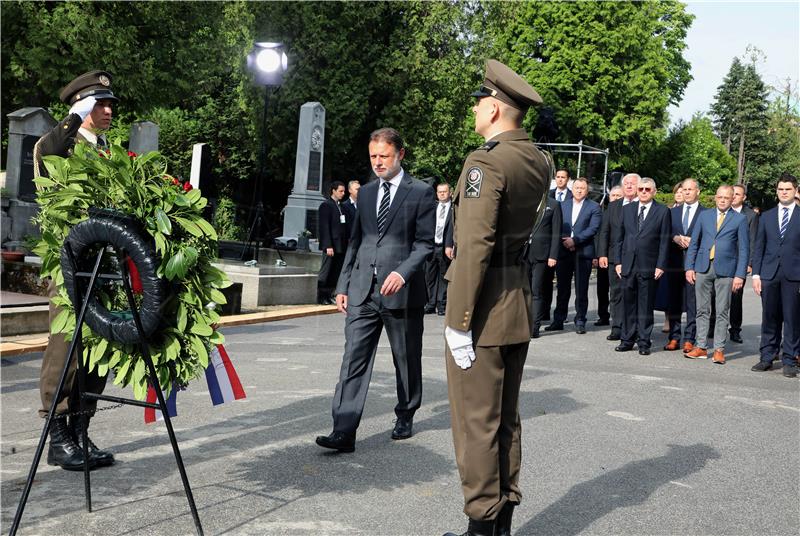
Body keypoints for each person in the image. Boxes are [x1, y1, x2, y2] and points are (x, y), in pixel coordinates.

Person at [443, 59, 548, 536]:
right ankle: (502, 520)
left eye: (477, 104)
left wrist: (458, 320)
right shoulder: (536, 159)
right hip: (516, 302)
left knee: (476, 424)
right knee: (505, 419)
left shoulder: (486, 160)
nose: (474, 112)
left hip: (483, 308)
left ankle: (481, 527)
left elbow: (474, 247)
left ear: (492, 107)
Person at [315, 128, 435, 453]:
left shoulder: (422, 192)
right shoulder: (366, 193)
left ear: (400, 155)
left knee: (406, 359)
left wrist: (403, 272)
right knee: (353, 358)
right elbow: (356, 241)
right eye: (373, 156)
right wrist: (343, 285)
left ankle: (406, 412)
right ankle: (343, 429)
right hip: (362, 290)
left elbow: (425, 244)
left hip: (402, 291)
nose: (378, 162)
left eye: (384, 156)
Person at [33, 70, 118, 471]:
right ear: (81, 106)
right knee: (65, 347)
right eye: (100, 103)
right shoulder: (59, 147)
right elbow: (48, 156)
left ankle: (82, 428)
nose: (108, 110)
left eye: (110, 103)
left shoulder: (109, 152)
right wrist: (71, 120)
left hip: (103, 265)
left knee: (100, 349)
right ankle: (58, 435)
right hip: (69, 264)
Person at [684, 185, 749, 364]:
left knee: (722, 311)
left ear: (732, 199)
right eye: (719, 197)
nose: (722, 200)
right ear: (715, 198)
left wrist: (740, 275)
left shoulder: (740, 219)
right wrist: (689, 267)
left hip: (727, 270)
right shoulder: (704, 216)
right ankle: (702, 346)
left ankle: (719, 349)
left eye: (726, 198)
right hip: (703, 267)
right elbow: (694, 243)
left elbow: (744, 249)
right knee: (702, 309)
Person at [614, 177, 671, 355]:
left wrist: (661, 265)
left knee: (645, 306)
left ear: (654, 191)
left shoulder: (662, 211)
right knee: (628, 304)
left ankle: (644, 341)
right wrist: (618, 262)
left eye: (647, 189)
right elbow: (619, 238)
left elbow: (664, 242)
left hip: (649, 265)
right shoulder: (627, 209)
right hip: (628, 265)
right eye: (641, 189)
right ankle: (627, 339)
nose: (644, 192)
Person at [750, 174, 799, 378]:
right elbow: (759, 247)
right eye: (780, 189)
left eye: (788, 189)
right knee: (769, 318)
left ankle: (789, 360)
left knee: (792, 319)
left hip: (794, 275)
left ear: (796, 191)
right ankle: (767, 357)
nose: (784, 192)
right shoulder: (766, 216)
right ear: (776, 191)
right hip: (769, 274)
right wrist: (756, 275)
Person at [546, 177, 602, 334]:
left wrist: (575, 240)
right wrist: (565, 242)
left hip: (583, 252)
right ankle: (558, 320)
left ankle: (580, 320)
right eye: (576, 187)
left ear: (587, 190)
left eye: (582, 188)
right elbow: (555, 225)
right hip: (563, 251)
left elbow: (593, 228)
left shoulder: (594, 207)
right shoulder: (562, 205)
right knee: (562, 288)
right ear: (572, 189)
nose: (579, 190)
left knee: (581, 288)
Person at [664, 178, 706, 353]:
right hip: (674, 262)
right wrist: (674, 237)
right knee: (673, 301)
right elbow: (664, 232)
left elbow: (710, 237)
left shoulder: (706, 213)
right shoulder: (672, 212)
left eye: (690, 189)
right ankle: (674, 336)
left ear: (698, 192)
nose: (687, 192)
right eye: (685, 189)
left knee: (692, 302)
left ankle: (690, 338)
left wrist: (694, 241)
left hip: (695, 263)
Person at [597, 174, 640, 341]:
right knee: (615, 293)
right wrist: (602, 254)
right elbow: (604, 232)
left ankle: (633, 328)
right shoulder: (613, 206)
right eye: (626, 184)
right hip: (614, 257)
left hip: (634, 258)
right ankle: (617, 327)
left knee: (633, 294)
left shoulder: (641, 205)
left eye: (632, 184)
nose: (629, 186)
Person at [527, 195, 562, 338]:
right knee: (524, 291)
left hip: (541, 254)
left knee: (536, 291)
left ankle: (534, 327)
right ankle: (522, 324)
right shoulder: (526, 200)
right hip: (523, 254)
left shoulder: (553, 204)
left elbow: (556, 232)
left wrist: (553, 255)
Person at [728, 184, 759, 343]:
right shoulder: (721, 212)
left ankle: (735, 329)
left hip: (740, 261)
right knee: (714, 295)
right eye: (732, 193)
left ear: (744, 197)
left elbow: (753, 240)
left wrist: (749, 263)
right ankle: (712, 326)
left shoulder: (751, 216)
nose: (733, 197)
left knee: (735, 297)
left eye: (737, 194)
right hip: (722, 260)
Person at [316, 181, 348, 304]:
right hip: (331, 245)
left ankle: (329, 294)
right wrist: (327, 245)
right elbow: (324, 227)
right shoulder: (326, 205)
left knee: (335, 272)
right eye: (340, 191)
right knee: (326, 271)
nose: (343, 193)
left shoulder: (341, 206)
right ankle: (321, 296)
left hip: (340, 245)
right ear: (333, 191)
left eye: (344, 191)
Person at [425, 182, 453, 315]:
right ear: (436, 193)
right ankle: (430, 304)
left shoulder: (454, 209)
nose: (442, 194)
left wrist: (451, 245)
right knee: (429, 276)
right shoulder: (432, 207)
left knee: (443, 277)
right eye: (439, 192)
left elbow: (455, 229)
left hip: (445, 247)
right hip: (431, 246)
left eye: (444, 191)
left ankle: (441, 305)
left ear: (450, 192)